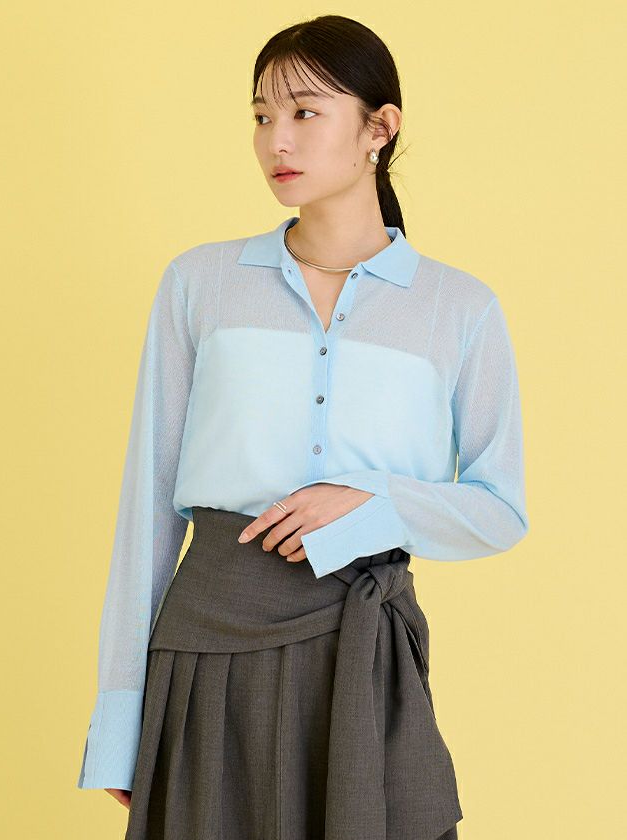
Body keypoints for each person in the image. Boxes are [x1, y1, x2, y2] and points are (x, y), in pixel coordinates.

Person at [77, 14, 529, 840]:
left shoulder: (458, 307)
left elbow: (501, 509)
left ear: (379, 129)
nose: (275, 140)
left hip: (362, 652)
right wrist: (118, 725)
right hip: (209, 647)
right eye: (261, 116)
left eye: (304, 112)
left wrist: (371, 500)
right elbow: (146, 510)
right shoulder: (201, 283)